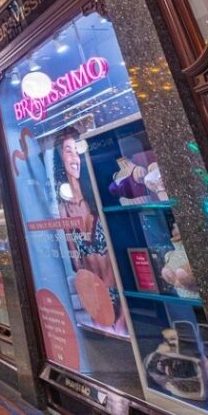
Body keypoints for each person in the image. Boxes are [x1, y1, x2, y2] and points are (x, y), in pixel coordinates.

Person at [53, 126, 124, 332]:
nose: (75, 156)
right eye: (68, 150)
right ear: (61, 159)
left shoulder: (97, 197)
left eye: (77, 149)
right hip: (94, 297)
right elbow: (76, 261)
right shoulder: (63, 209)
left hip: (119, 290)